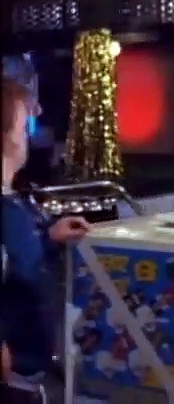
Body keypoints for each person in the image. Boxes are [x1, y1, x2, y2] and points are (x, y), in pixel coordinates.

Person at [1, 78, 91, 381]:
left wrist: (49, 237)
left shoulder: (15, 202)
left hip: (34, 364)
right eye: (23, 126)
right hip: (15, 375)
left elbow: (16, 257)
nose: (27, 137)